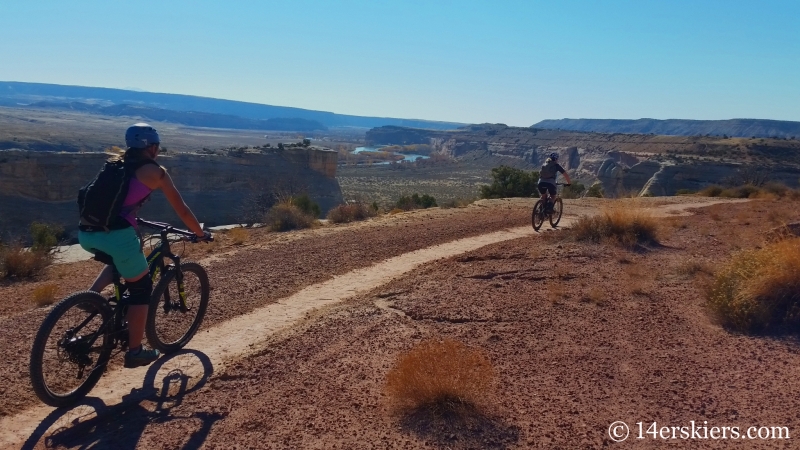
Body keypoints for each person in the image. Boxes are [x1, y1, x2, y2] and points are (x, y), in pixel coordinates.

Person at [78, 123, 210, 368]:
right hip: (116, 235)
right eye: (156, 146)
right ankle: (135, 351)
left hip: (86, 232)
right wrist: (200, 233)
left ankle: (92, 296)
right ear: (152, 147)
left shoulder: (117, 163)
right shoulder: (156, 172)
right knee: (141, 291)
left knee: (122, 262)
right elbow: (181, 209)